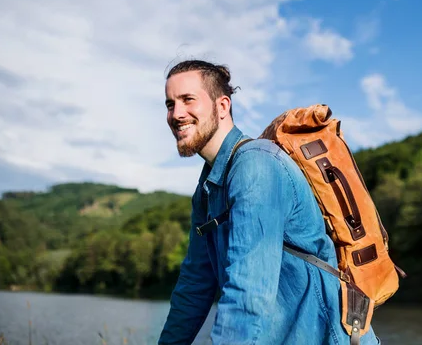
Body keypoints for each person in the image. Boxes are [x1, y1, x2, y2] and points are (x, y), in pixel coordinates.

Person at [158, 60, 379, 344]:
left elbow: (247, 294)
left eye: (188, 99)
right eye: (169, 104)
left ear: (222, 106)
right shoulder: (206, 191)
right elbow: (193, 288)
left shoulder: (256, 165)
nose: (176, 113)